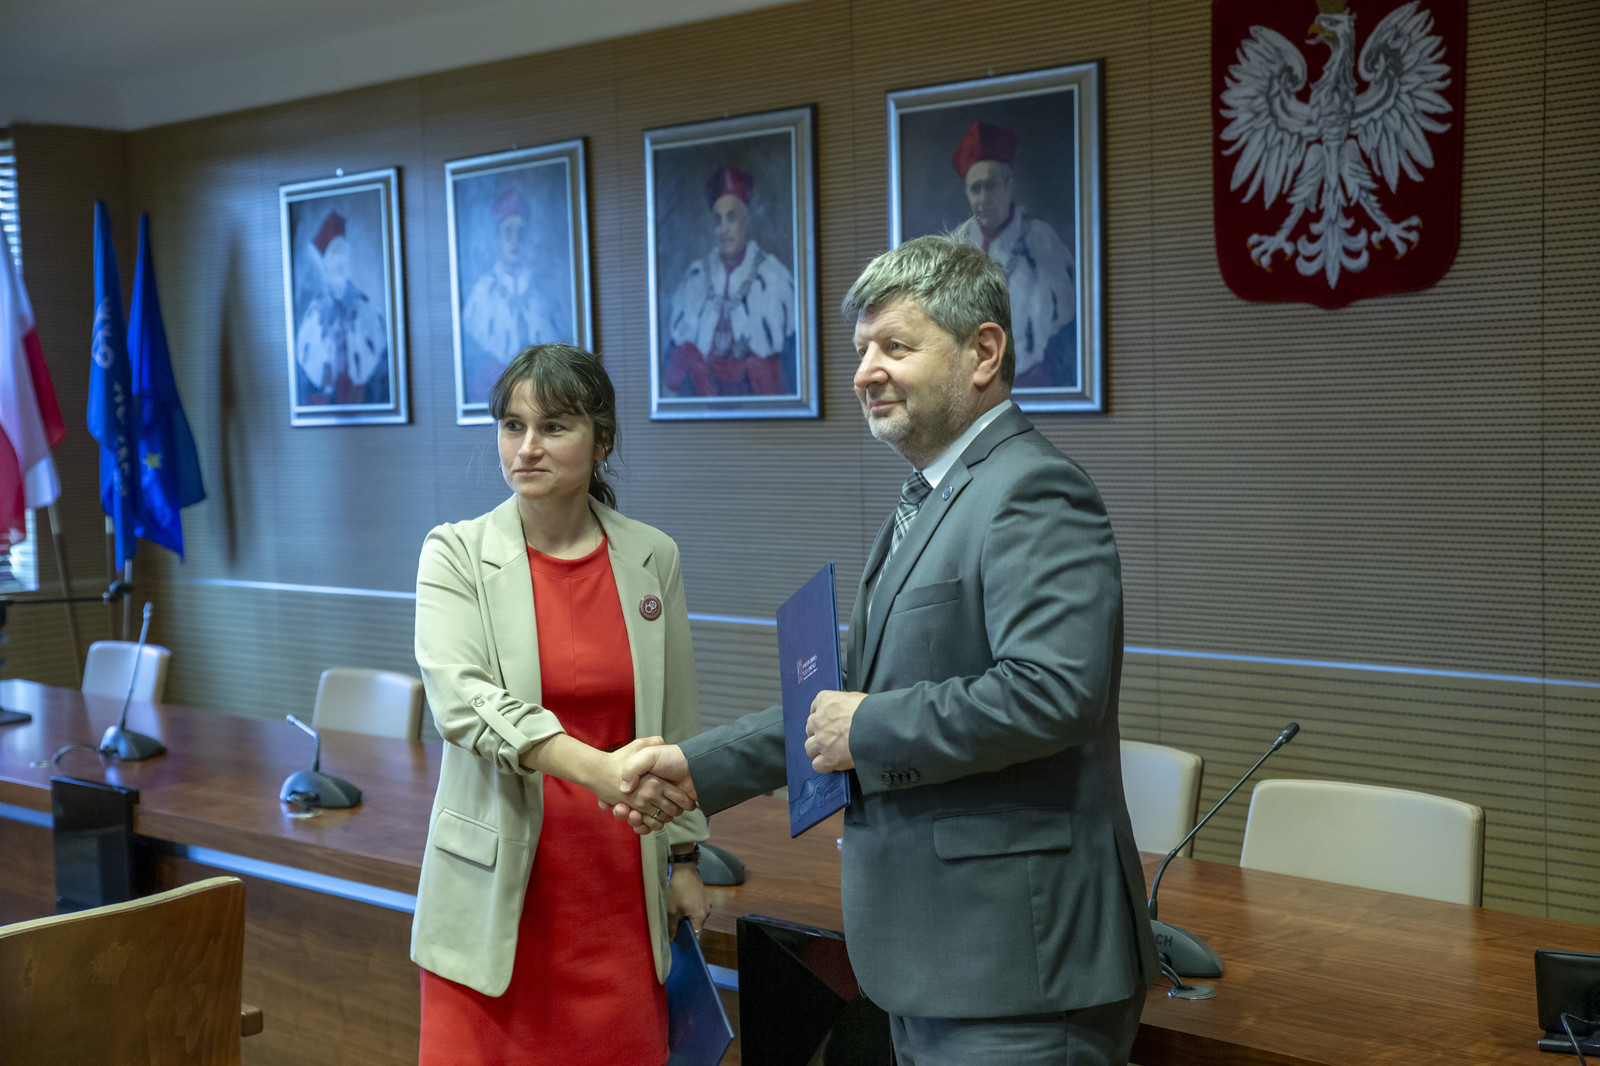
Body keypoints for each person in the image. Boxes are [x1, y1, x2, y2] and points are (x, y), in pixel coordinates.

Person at [620, 235, 1156, 1065]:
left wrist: (865, 727)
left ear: (984, 352)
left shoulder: (1033, 490)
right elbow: (850, 702)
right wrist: (696, 768)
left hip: (1018, 972)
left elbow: (1052, 693)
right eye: (861, 349)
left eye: (895, 347)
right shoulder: (930, 497)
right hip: (939, 962)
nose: (866, 371)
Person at [412, 343, 711, 1065]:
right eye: (512, 426)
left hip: (617, 890)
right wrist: (597, 769)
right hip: (495, 899)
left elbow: (676, 720)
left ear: (601, 441)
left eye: (554, 427)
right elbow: (462, 701)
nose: (527, 448)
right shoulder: (455, 553)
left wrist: (686, 858)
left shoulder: (653, 556)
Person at [948, 120, 1078, 390]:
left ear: (1009, 186)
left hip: (1032, 376)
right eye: (976, 189)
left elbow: (1067, 314)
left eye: (992, 186)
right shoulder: (954, 244)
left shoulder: (1040, 238)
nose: (984, 198)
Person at [663, 163, 795, 397]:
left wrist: (750, 368)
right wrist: (691, 363)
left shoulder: (773, 277)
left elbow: (793, 370)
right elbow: (669, 371)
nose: (723, 229)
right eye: (717, 220)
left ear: (746, 220)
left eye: (731, 218)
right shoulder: (695, 278)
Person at [462, 188, 566, 404]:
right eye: (508, 231)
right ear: (497, 237)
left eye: (521, 232)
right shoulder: (481, 294)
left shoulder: (543, 295)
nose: (515, 240)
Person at [294, 209, 390, 405]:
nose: (340, 261)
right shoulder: (313, 317)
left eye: (343, 253)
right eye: (333, 254)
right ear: (324, 263)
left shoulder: (368, 310)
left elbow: (380, 371)